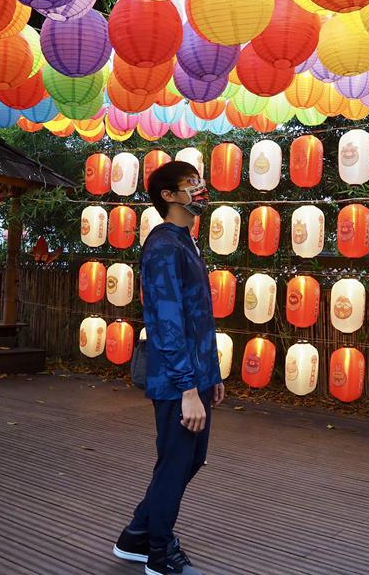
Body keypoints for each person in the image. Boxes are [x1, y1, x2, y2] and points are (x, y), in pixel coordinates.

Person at [113, 161, 225, 575]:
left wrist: (211, 376)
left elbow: (199, 317)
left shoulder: (184, 242)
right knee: (177, 462)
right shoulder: (163, 246)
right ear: (169, 196)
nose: (201, 189)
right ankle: (160, 553)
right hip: (178, 381)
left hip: (195, 376)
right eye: (192, 184)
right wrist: (188, 388)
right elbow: (166, 320)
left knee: (187, 460)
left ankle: (136, 537)